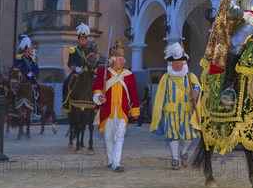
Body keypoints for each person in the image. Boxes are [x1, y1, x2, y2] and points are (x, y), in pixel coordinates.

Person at [92, 39, 139, 172]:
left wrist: (135, 110)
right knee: (108, 137)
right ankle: (110, 159)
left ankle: (117, 162)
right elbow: (96, 88)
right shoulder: (103, 73)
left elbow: (133, 93)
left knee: (120, 135)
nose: (122, 61)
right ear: (112, 60)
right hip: (108, 110)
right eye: (120, 59)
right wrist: (99, 97)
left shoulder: (129, 75)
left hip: (123, 110)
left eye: (123, 59)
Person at [150, 42, 200, 170]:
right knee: (173, 135)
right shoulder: (166, 78)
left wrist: (196, 92)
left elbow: (198, 87)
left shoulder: (190, 76)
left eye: (180, 62)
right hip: (170, 111)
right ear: (171, 63)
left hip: (187, 110)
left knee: (189, 135)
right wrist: (158, 112)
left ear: (184, 63)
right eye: (175, 62)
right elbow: (160, 95)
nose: (178, 64)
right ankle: (175, 158)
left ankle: (183, 151)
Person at [63, 23, 91, 113]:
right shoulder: (73, 50)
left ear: (86, 40)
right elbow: (69, 63)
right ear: (78, 40)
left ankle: (96, 104)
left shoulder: (89, 51)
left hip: (88, 72)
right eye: (81, 39)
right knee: (66, 82)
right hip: (77, 73)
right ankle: (65, 102)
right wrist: (76, 68)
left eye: (84, 39)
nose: (83, 41)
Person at [13, 34, 40, 103]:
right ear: (26, 49)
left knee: (38, 89)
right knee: (13, 92)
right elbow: (15, 68)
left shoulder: (32, 59)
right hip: (21, 80)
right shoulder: (19, 58)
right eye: (29, 48)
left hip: (31, 80)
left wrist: (32, 74)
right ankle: (12, 105)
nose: (31, 50)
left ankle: (38, 105)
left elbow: (35, 69)